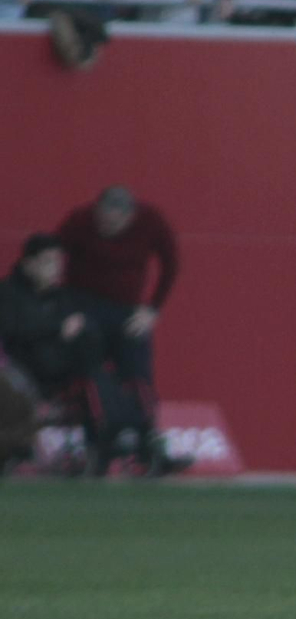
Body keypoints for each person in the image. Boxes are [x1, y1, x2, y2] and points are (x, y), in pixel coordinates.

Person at [55, 186, 188, 475]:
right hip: (85, 305)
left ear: (130, 215)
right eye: (104, 219)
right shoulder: (79, 221)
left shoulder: (150, 221)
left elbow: (171, 263)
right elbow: (53, 259)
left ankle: (147, 446)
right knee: (92, 376)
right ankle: (95, 446)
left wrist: (153, 309)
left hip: (128, 310)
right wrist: (67, 310)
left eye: (115, 221)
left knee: (138, 376)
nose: (108, 227)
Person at [0, 234, 128, 470]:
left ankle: (110, 437)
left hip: (60, 368)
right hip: (21, 370)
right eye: (49, 262)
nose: (55, 269)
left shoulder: (63, 297)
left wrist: (80, 329)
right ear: (29, 264)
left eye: (58, 263)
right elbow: (12, 330)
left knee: (95, 368)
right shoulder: (8, 293)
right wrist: (57, 328)